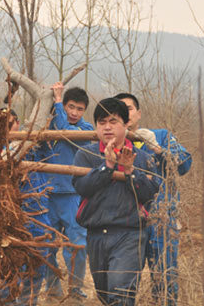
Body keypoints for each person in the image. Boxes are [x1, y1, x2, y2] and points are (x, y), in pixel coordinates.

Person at [72, 97, 159, 306]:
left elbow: (150, 193)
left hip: (129, 233)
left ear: (126, 124)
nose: (107, 127)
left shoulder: (142, 158)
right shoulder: (86, 155)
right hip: (96, 234)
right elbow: (81, 187)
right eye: (102, 123)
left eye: (113, 122)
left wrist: (129, 171)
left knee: (120, 294)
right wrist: (108, 166)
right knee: (104, 295)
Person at [115, 93, 192, 306]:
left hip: (161, 220)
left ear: (138, 113)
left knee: (165, 279)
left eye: (129, 108)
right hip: (126, 223)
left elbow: (184, 165)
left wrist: (158, 148)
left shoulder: (159, 136)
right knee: (124, 282)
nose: (125, 113)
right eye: (118, 110)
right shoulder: (109, 143)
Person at [43, 82, 92, 300]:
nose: (74, 112)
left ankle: (75, 291)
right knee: (46, 245)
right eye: (70, 106)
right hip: (48, 195)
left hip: (74, 196)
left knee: (77, 246)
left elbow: (66, 133)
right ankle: (53, 289)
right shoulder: (48, 125)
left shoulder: (87, 130)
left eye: (79, 109)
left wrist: (58, 103)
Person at [0, 108, 51, 306]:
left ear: (18, 123)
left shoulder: (35, 147)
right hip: (7, 220)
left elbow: (48, 142)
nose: (9, 127)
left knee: (36, 266)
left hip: (37, 216)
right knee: (7, 269)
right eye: (3, 124)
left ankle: (29, 302)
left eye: (11, 122)